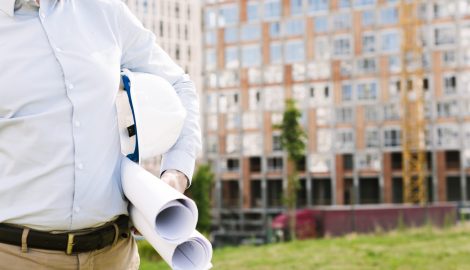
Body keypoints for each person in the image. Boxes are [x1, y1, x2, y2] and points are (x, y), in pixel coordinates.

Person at [0, 0, 201, 269]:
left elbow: (179, 84)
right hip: (14, 257)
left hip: (115, 255)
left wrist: (176, 172)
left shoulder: (102, 9)